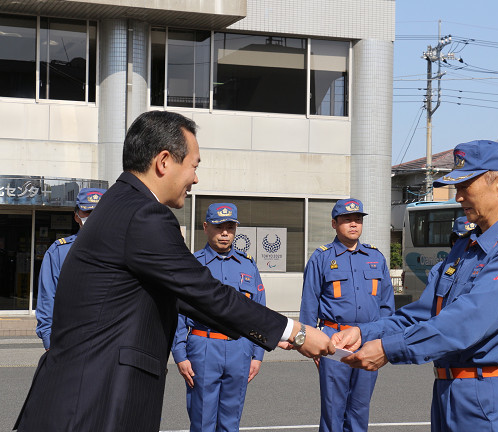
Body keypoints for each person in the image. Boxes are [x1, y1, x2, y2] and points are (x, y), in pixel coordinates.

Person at [14, 111, 334, 432]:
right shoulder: (144, 214)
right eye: (194, 165)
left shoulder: (120, 204)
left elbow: (188, 299)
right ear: (164, 161)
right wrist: (296, 332)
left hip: (79, 399)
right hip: (93, 405)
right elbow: (204, 291)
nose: (195, 178)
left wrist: (273, 334)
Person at [333, 140, 498, 431]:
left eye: (465, 187)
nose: (458, 197)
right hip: (450, 392)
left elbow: (468, 320)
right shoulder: (467, 248)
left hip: (492, 398)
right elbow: (423, 312)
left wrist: (388, 349)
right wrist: (364, 332)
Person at [300, 198, 394, 432]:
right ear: (334, 224)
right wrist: (311, 342)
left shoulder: (376, 257)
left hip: (367, 339)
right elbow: (309, 304)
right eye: (347, 220)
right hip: (335, 340)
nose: (354, 224)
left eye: (358, 220)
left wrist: (384, 341)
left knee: (360, 408)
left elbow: (386, 306)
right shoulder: (321, 257)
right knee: (333, 409)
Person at [172, 203, 266, 432]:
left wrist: (258, 354)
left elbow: (259, 309)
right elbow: (178, 312)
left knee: (231, 422)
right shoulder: (192, 264)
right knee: (202, 421)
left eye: (230, 227)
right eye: (219, 227)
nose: (225, 233)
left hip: (239, 348)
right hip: (204, 347)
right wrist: (180, 354)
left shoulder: (248, 265)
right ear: (206, 227)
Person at [36, 187, 106, 350]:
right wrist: (49, 341)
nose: (93, 217)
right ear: (76, 216)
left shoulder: (123, 249)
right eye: (87, 212)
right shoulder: (59, 252)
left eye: (99, 212)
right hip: (70, 342)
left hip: (110, 344)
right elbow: (47, 298)